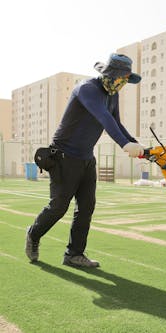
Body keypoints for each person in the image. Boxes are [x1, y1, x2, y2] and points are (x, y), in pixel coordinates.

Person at [25, 53, 144, 268]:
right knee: (58, 207)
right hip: (63, 156)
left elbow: (116, 123)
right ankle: (33, 235)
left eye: (126, 81)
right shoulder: (86, 88)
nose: (122, 84)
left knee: (87, 207)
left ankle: (74, 254)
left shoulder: (112, 95)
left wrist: (138, 145)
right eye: (121, 79)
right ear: (110, 75)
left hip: (87, 158)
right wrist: (125, 145)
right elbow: (103, 117)